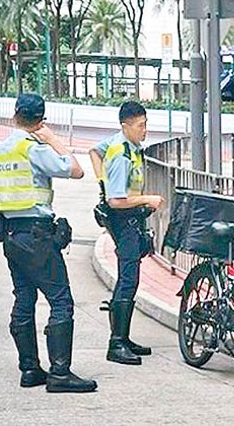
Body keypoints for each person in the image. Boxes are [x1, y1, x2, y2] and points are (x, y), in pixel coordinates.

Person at [0, 93, 97, 393]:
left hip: (12, 236)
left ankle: (29, 369)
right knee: (60, 300)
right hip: (38, 236)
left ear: (15, 114)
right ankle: (59, 373)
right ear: (40, 119)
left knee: (24, 298)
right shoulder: (33, 149)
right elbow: (76, 170)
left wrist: (9, 213)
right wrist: (54, 139)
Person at [89, 101, 164, 366]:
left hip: (128, 220)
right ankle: (117, 342)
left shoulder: (122, 145)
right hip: (123, 220)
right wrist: (148, 199)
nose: (145, 131)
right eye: (141, 126)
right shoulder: (120, 155)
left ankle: (123, 336)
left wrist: (101, 181)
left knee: (128, 277)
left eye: (146, 125)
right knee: (128, 279)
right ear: (126, 126)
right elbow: (116, 201)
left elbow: (93, 152)